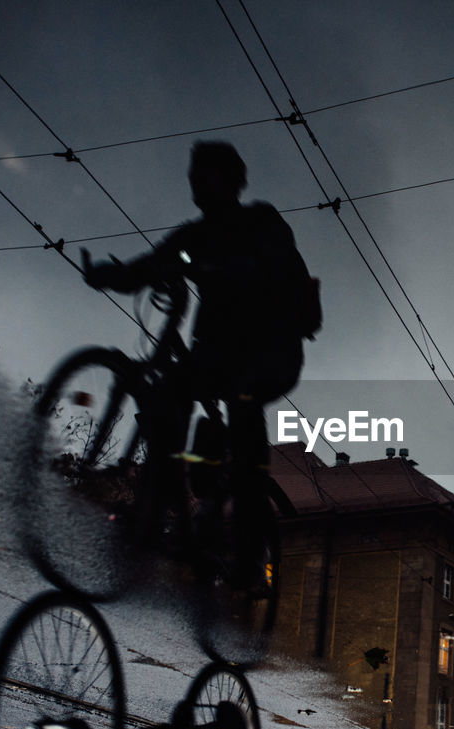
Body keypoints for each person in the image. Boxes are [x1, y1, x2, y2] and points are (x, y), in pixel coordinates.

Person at [84, 141, 318, 581]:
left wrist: (219, 271)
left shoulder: (261, 221)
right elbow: (148, 266)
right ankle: (153, 509)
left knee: (244, 403)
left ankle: (250, 551)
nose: (197, 183)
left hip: (274, 350)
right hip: (218, 355)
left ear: (233, 181)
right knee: (169, 391)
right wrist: (108, 275)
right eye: (194, 175)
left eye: (207, 174)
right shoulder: (194, 235)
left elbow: (274, 267)